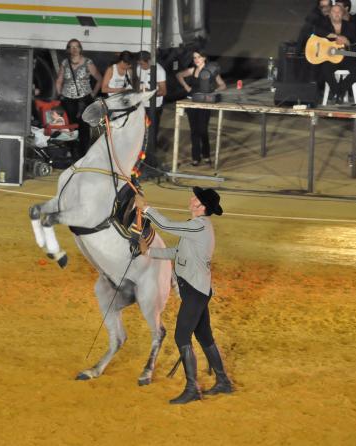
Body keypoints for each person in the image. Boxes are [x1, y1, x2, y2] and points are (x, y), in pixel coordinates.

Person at [135, 187, 231, 404]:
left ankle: (192, 388)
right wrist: (149, 252)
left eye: (196, 198)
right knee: (204, 336)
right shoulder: (197, 226)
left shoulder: (198, 226)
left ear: (202, 206)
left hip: (195, 292)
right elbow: (178, 252)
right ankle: (223, 381)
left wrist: (146, 208)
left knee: (181, 337)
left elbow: (167, 225)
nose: (192, 198)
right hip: (197, 290)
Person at [176, 50, 226, 166]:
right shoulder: (192, 70)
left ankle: (206, 155)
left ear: (204, 58)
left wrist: (214, 91)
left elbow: (223, 85)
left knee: (203, 129)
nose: (196, 60)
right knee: (194, 130)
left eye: (198, 57)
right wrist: (186, 87)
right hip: (192, 102)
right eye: (194, 58)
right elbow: (179, 75)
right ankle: (195, 158)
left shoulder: (211, 70)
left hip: (205, 103)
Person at [55, 39, 102, 158]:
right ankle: (72, 152)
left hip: (84, 98)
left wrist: (93, 94)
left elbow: (99, 79)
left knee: (84, 127)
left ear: (80, 48)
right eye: (71, 47)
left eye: (76, 47)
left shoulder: (88, 62)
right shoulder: (65, 63)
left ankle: (83, 153)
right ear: (68, 49)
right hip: (68, 99)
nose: (74, 49)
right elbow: (59, 80)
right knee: (70, 127)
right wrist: (60, 95)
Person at [315, 4, 356, 104]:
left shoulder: (350, 26)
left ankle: (338, 92)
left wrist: (348, 42)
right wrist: (336, 36)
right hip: (330, 58)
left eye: (339, 12)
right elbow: (317, 32)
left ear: (343, 14)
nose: (336, 14)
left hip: (346, 58)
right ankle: (338, 93)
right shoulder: (324, 24)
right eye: (334, 12)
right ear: (330, 14)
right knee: (325, 69)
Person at [136, 51, 167, 169]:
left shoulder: (159, 71)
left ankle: (150, 158)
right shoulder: (139, 68)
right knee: (141, 131)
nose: (141, 66)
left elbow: (163, 91)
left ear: (149, 61)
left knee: (151, 132)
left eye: (142, 64)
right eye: (139, 64)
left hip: (154, 106)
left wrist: (150, 93)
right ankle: (141, 156)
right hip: (142, 105)